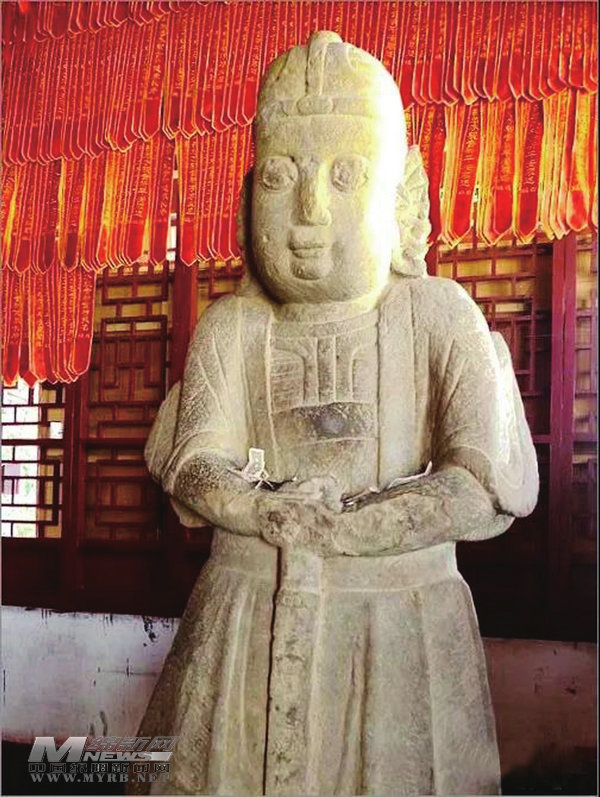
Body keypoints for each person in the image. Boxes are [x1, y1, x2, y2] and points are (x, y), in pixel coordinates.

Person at [134, 32, 538, 796]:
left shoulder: (437, 315)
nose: (308, 212)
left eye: (345, 174)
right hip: (246, 615)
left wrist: (347, 529)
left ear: (402, 197)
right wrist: (264, 510)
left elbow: (480, 482)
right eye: (281, 176)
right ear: (249, 194)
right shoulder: (234, 328)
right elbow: (193, 463)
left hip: (400, 623)